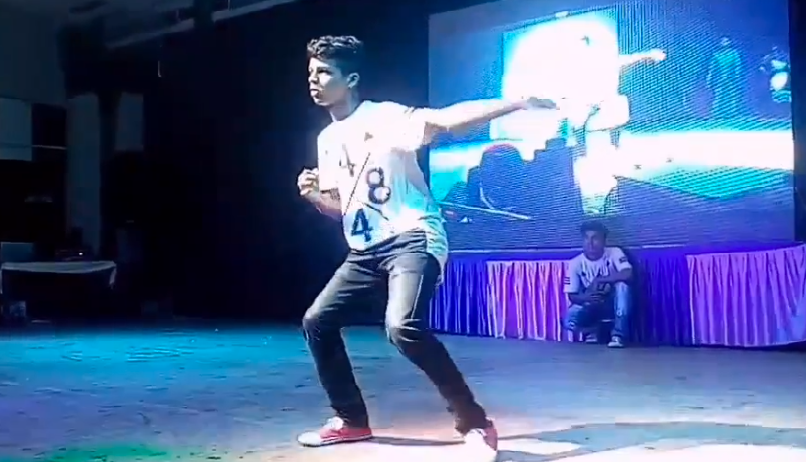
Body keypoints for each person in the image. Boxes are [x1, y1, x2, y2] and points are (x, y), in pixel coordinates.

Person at [296, 35, 557, 460]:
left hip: (411, 236)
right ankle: (351, 420)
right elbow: (342, 208)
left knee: (402, 327)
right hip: (365, 250)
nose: (314, 80)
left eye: (324, 72)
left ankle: (475, 424)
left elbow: (446, 121)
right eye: (311, 72)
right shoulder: (327, 139)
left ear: (352, 79)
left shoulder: (383, 117)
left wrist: (518, 102)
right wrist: (313, 196)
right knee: (317, 321)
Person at [563, 221, 632, 348]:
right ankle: (595, 331)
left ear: (603, 241)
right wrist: (586, 298)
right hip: (593, 304)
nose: (590, 243)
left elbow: (627, 273)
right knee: (568, 321)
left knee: (622, 286)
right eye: (586, 238)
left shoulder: (614, 252)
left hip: (613, 301)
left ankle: (618, 335)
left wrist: (601, 280)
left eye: (595, 238)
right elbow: (572, 296)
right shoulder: (575, 263)